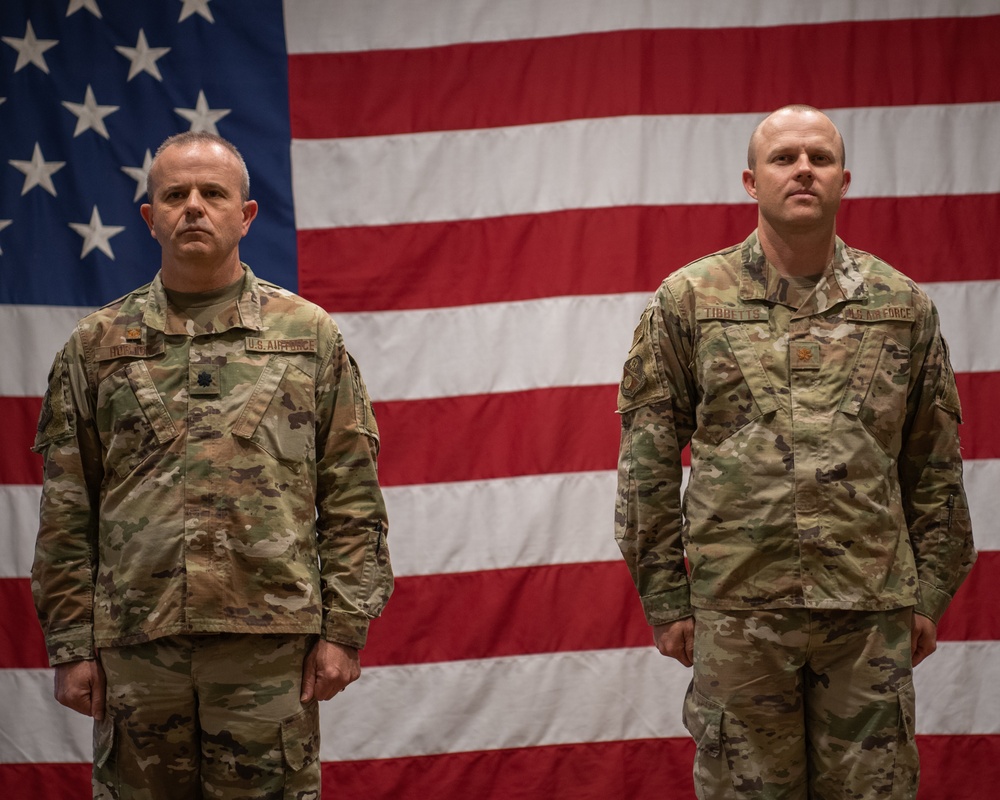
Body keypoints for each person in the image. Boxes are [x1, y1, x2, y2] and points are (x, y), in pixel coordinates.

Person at [614, 105, 976, 799]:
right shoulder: (689, 303)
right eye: (784, 159)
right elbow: (647, 468)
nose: (803, 169)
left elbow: (934, 467)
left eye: (819, 158)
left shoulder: (901, 307)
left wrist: (929, 592)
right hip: (740, 615)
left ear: (846, 179)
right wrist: (665, 599)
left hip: (868, 617)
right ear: (752, 182)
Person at [32, 131, 393, 798]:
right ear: (150, 216)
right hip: (139, 647)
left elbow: (350, 496)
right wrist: (71, 643)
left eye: (212, 193)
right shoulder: (96, 345)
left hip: (268, 647)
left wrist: (345, 631)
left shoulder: (308, 335)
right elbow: (67, 507)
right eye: (175, 194)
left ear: (245, 214)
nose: (193, 207)